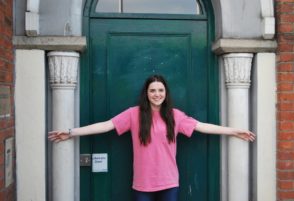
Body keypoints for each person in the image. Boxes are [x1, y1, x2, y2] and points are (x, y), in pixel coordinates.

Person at [48, 74, 255, 201]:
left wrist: (234, 131)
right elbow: (106, 125)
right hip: (143, 183)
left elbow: (202, 127)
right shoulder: (133, 114)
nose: (157, 94)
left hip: (169, 181)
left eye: (161, 90)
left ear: (166, 92)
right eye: (153, 90)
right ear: (146, 93)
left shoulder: (175, 115)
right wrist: (71, 132)